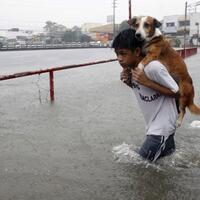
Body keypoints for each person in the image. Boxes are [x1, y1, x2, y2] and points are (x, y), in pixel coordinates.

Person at [112, 29, 180, 162]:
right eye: (117, 54)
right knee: (166, 167)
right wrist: (130, 83)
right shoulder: (133, 69)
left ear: (137, 51)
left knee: (140, 170)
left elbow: (178, 92)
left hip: (161, 131)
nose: (119, 59)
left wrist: (147, 82)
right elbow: (148, 93)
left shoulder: (153, 67)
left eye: (123, 53)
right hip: (156, 129)